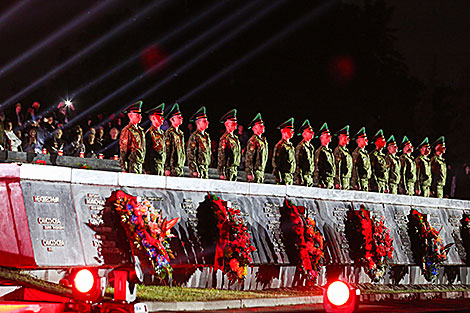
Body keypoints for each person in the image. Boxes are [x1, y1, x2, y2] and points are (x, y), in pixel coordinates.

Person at [119, 101, 146, 173]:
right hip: (132, 165)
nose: (140, 117)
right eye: (137, 115)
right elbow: (123, 150)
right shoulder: (127, 130)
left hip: (139, 164)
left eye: (140, 115)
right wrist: (124, 168)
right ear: (130, 116)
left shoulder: (140, 130)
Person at [187, 106, 211, 178]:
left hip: (205, 167)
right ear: (198, 123)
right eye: (204, 121)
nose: (207, 122)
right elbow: (191, 154)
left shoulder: (206, 136)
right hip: (198, 169)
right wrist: (194, 170)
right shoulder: (194, 136)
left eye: (206, 121)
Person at [217, 109, 241, 181]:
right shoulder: (225, 138)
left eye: (236, 122)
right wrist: (221, 172)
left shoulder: (235, 138)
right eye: (233, 122)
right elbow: (221, 156)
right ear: (227, 124)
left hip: (234, 169)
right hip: (227, 170)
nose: (236, 124)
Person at [245, 113, 268, 183]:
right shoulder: (253, 141)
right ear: (254, 128)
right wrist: (249, 173)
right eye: (260, 126)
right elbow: (249, 158)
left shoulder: (263, 140)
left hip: (260, 172)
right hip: (255, 172)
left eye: (263, 125)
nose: (263, 127)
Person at [144, 103, 166, 175]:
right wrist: (147, 170)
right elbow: (145, 153)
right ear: (153, 118)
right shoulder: (149, 133)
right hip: (152, 169)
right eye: (160, 116)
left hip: (161, 168)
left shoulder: (162, 133)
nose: (162, 119)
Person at [272, 118, 295, 185]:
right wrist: (278, 177)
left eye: (293, 130)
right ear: (283, 131)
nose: (292, 132)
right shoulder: (280, 146)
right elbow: (276, 163)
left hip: (289, 177)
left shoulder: (290, 146)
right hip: (283, 177)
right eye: (290, 130)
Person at [164, 103, 186, 177]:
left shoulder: (180, 133)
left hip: (179, 167)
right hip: (172, 167)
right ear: (172, 119)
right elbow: (167, 151)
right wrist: (167, 168)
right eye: (178, 117)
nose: (181, 118)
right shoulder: (169, 133)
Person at [313, 122, 335, 188]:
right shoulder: (320, 151)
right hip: (324, 181)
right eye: (327, 136)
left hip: (330, 180)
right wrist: (318, 181)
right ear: (322, 138)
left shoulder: (330, 151)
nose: (330, 137)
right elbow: (317, 168)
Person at [295, 119, 315, 187]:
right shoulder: (301, 147)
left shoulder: (311, 147)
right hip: (303, 178)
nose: (312, 132)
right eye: (309, 131)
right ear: (304, 134)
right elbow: (298, 164)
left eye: (312, 131)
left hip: (309, 177)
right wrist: (299, 178)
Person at [351, 127, 371, 191]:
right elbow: (354, 169)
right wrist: (355, 183)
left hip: (366, 182)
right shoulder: (356, 153)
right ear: (359, 140)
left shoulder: (366, 153)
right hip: (360, 183)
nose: (367, 140)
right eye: (364, 139)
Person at [333, 125, 352, 190]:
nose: (348, 139)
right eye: (346, 137)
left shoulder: (347, 151)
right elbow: (336, 168)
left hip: (347, 180)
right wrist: (337, 182)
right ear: (341, 138)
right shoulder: (338, 151)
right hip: (341, 181)